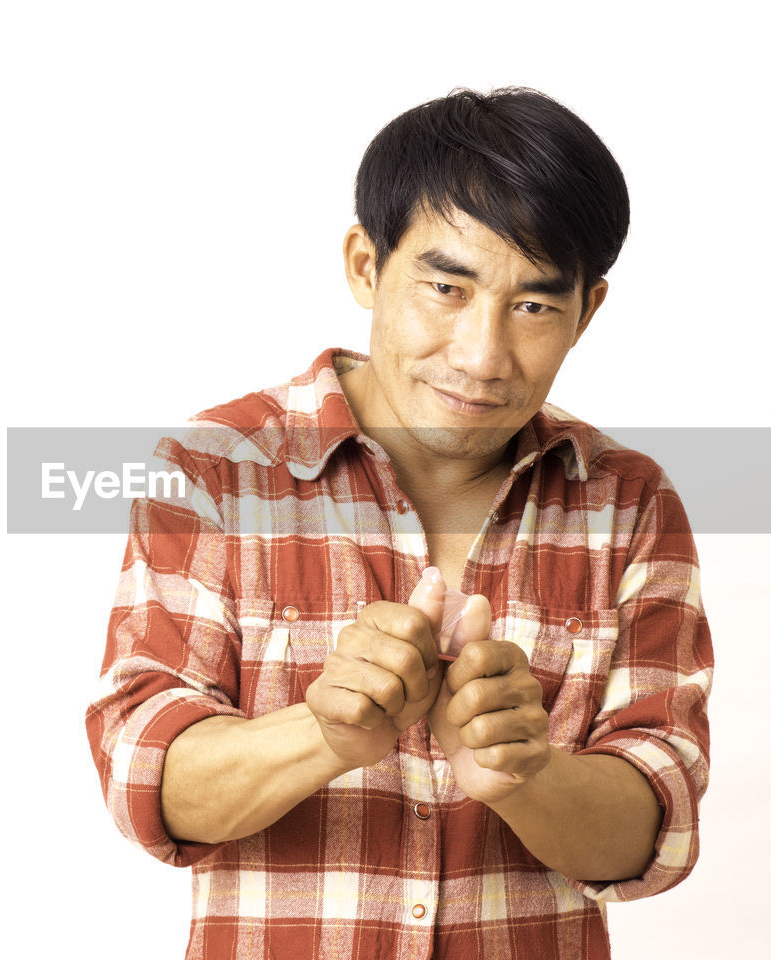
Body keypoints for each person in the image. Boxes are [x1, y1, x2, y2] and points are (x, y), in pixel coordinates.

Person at [85, 87, 713, 959]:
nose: (482, 355)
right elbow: (140, 775)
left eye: (533, 306)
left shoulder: (629, 504)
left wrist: (526, 777)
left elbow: (660, 824)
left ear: (589, 310)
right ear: (365, 264)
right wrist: (323, 733)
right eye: (446, 288)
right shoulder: (217, 469)